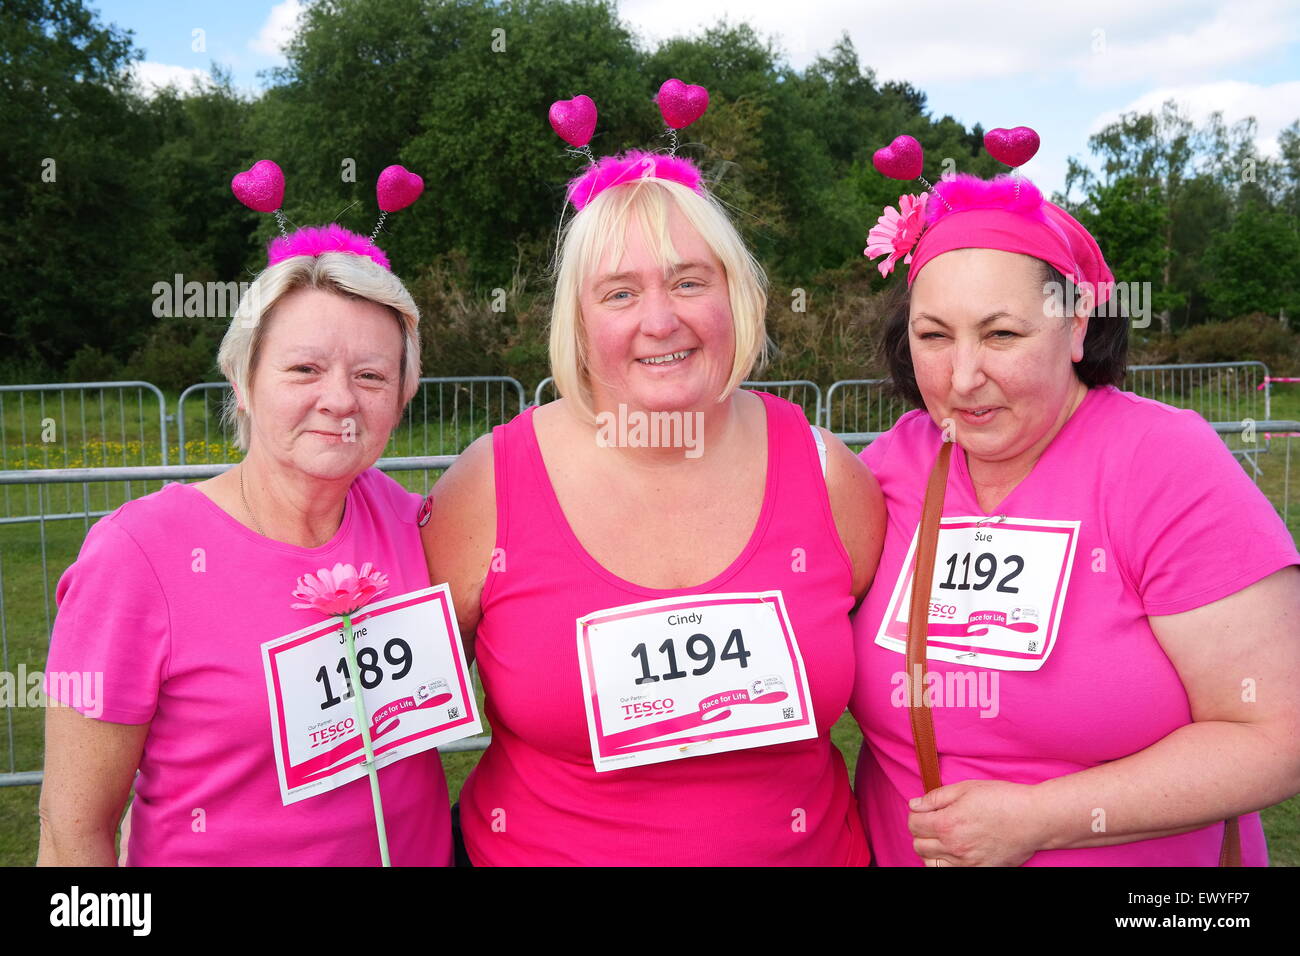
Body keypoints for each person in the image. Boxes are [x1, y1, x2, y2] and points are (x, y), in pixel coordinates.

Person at [423, 144, 886, 864]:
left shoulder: (830, 478)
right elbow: (394, 716)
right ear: (578, 323)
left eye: (689, 282)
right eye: (619, 293)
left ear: (736, 295)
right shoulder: (488, 486)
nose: (661, 320)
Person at [852, 142, 1300, 865]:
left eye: (1002, 334)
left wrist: (1040, 818)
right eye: (934, 336)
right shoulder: (891, 466)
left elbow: (1277, 736)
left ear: (1076, 328)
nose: (963, 377)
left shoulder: (1165, 464)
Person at [38, 182, 453, 865]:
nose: (340, 399)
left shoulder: (417, 525)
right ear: (243, 381)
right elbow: (70, 829)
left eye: (373, 376)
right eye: (304, 369)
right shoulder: (139, 555)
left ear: (403, 395)